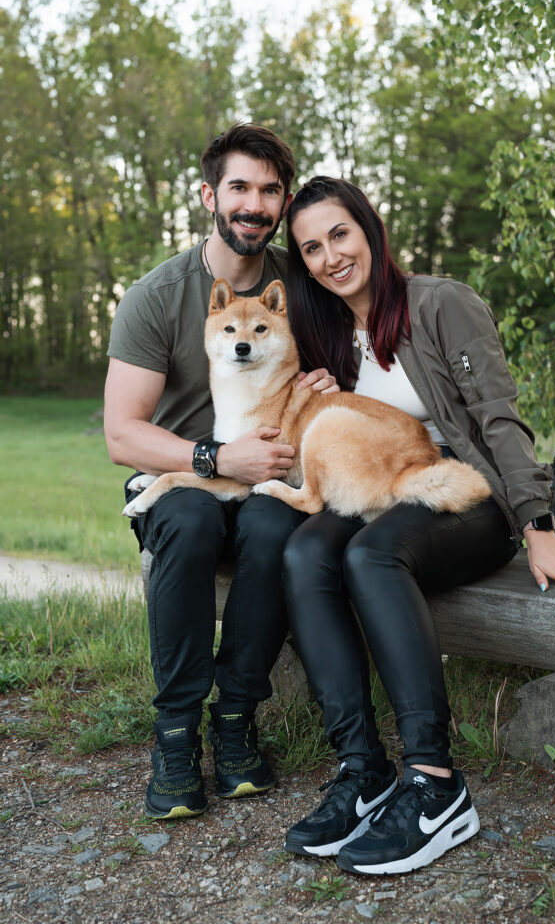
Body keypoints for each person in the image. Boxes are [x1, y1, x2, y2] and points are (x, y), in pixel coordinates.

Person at [280, 176, 555, 875]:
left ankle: (434, 783)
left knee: (370, 558)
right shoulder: (325, 333)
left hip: (465, 495)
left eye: (338, 234)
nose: (329, 256)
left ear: (368, 229)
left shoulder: (439, 302)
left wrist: (536, 523)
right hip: (382, 490)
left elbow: (496, 415)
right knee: (306, 551)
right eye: (310, 247)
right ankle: (363, 769)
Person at [104, 125, 336, 820]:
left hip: (272, 474)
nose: (253, 204)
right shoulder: (159, 295)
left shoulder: (303, 286)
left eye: (269, 191)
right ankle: (175, 735)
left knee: (272, 527)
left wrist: (327, 381)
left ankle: (235, 720)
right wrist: (210, 459)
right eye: (239, 187)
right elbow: (122, 434)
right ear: (210, 194)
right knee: (186, 515)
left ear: (283, 202)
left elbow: (355, 360)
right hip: (185, 479)